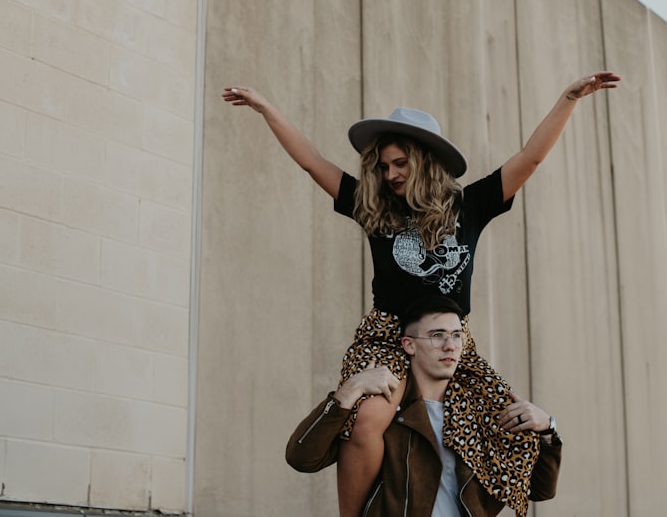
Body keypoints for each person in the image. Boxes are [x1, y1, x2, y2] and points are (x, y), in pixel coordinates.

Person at [223, 71, 618, 516]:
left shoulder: (468, 207)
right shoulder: (375, 211)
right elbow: (312, 161)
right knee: (370, 416)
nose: (389, 174)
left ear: (427, 161)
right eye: (383, 166)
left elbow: (529, 158)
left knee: (510, 425)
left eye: (400, 164)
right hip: (388, 337)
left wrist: (568, 98)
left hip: (448, 341)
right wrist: (266, 108)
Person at [286, 297, 562, 516]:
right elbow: (301, 457)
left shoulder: (480, 418)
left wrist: (548, 429)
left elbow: (539, 490)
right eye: (437, 335)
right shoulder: (386, 415)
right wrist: (350, 390)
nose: (450, 346)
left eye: (456, 335)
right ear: (409, 345)